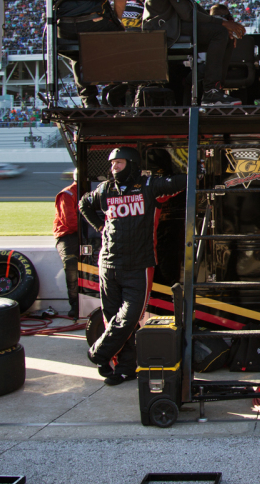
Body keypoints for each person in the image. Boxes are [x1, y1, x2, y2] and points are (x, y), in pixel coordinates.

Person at [79, 147, 186, 384]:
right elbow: (83, 204)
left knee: (128, 319)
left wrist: (197, 170)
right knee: (111, 319)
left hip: (139, 265)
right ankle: (124, 368)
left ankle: (98, 353)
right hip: (107, 264)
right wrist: (100, 227)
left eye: (119, 163)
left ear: (132, 163)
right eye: (112, 164)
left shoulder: (150, 186)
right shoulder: (106, 189)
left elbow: (184, 181)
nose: (113, 167)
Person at [142, 0, 245, 107]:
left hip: (170, 26)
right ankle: (211, 92)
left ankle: (216, 89)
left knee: (224, 34)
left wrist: (218, 21)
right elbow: (187, 14)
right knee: (220, 33)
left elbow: (192, 7)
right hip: (165, 31)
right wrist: (222, 23)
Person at [53, 174, 81, 319]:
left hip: (87, 233)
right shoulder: (67, 194)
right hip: (67, 235)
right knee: (71, 263)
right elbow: (69, 222)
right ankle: (75, 305)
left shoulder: (96, 191)